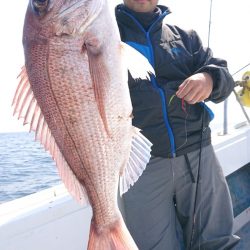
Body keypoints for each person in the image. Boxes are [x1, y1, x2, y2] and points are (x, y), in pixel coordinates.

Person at [115, 0, 240, 249]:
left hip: (197, 153)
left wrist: (209, 79)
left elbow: (223, 75)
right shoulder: (104, 37)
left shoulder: (186, 37)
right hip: (139, 165)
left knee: (217, 241)